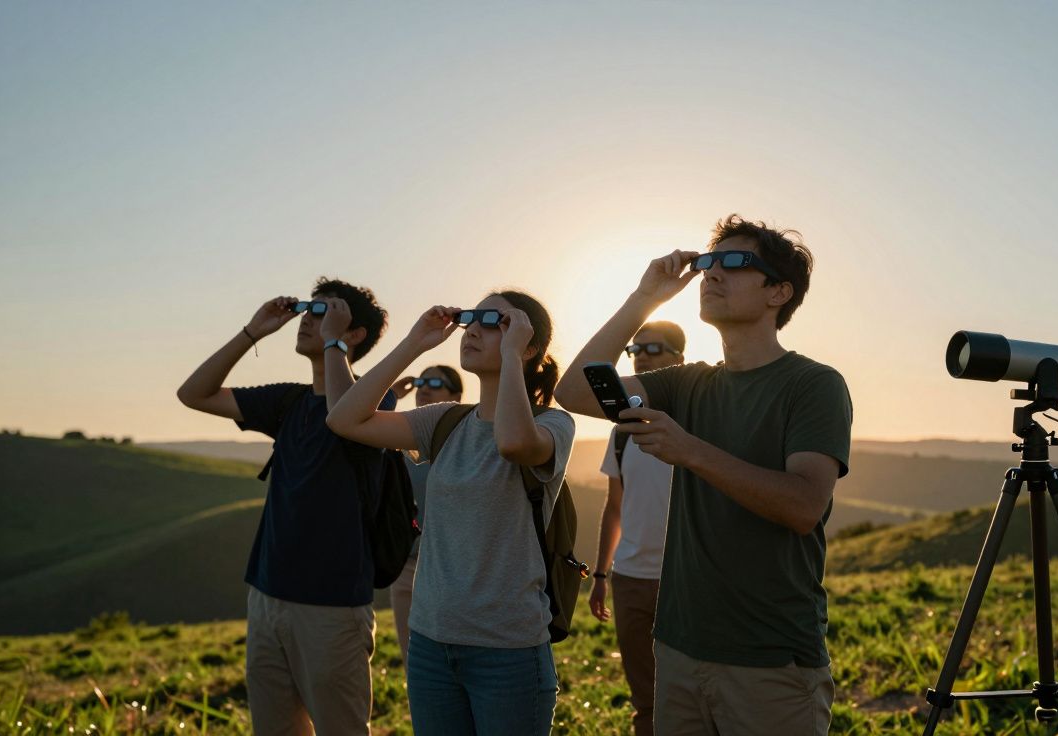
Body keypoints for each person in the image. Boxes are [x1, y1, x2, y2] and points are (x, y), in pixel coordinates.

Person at [555, 216, 853, 736]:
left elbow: (804, 506)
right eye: (709, 263)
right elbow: (576, 392)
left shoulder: (814, 385)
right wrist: (644, 297)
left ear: (779, 292)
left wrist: (691, 450)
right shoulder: (687, 383)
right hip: (678, 649)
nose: (712, 274)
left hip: (770, 658)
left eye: (735, 263)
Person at [326, 290, 574, 736]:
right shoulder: (443, 421)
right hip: (430, 644)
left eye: (493, 321)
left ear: (528, 343)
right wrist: (414, 343)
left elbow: (514, 443)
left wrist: (514, 356)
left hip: (509, 649)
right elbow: (344, 419)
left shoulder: (553, 424)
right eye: (472, 319)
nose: (473, 328)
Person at [176, 277, 392, 735]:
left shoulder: (375, 400)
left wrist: (333, 341)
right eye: (308, 311)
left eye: (325, 312)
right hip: (267, 595)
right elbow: (193, 393)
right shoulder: (288, 402)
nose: (308, 320)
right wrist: (253, 332)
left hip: (332, 608)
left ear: (355, 335)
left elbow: (342, 414)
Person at [588, 321, 685, 736]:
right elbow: (614, 508)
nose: (641, 355)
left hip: (685, 577)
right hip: (629, 579)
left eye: (653, 348)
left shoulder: (694, 423)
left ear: (679, 360)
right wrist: (600, 575)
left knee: (687, 692)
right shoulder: (621, 432)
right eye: (635, 349)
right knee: (644, 698)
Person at [387, 365, 465, 664]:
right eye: (420, 381)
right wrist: (391, 396)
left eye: (435, 382)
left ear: (457, 395)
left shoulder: (467, 439)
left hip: (455, 568)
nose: (424, 387)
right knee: (414, 662)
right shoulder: (400, 442)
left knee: (455, 659)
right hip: (407, 568)